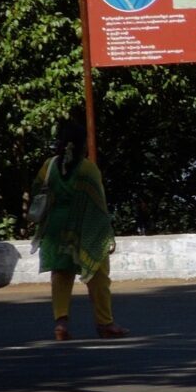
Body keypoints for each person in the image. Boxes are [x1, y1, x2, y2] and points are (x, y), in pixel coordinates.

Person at [31, 122, 129, 341]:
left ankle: (61, 324)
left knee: (61, 275)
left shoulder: (49, 166)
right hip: (84, 228)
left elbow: (37, 190)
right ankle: (105, 324)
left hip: (55, 228)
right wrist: (107, 235)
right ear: (82, 144)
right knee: (98, 275)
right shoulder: (87, 168)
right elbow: (98, 204)